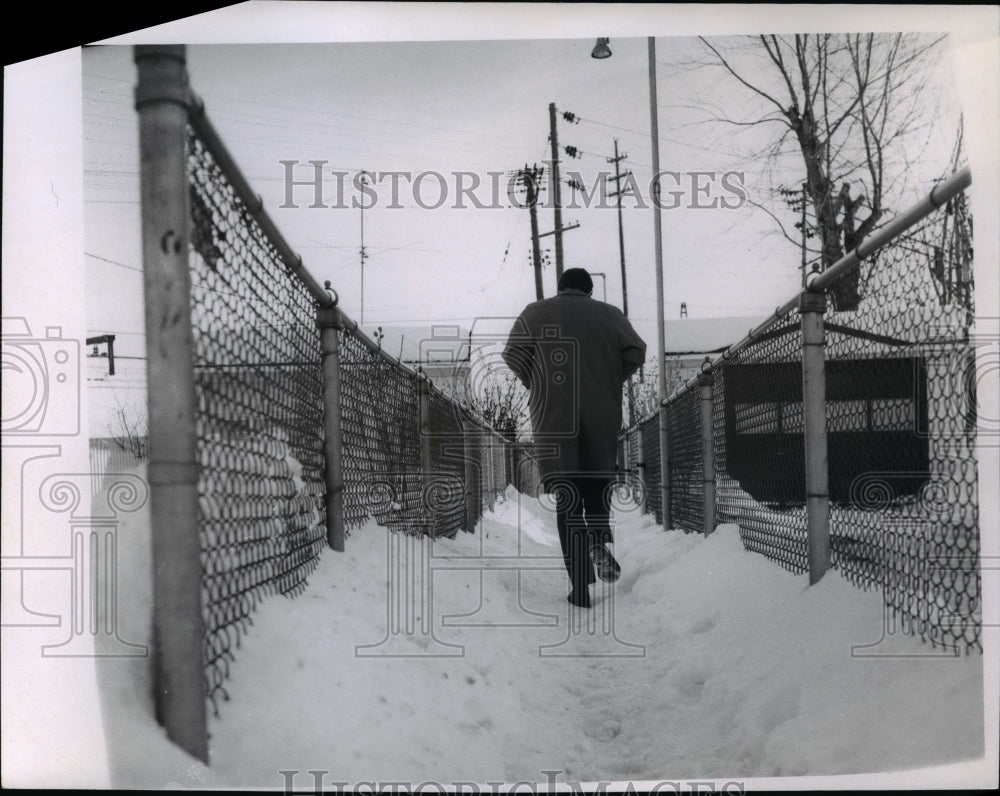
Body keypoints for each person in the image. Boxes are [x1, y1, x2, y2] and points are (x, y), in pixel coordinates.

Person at [502, 268, 646, 608]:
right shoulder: (611, 315)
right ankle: (597, 535)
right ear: (590, 290)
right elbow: (635, 352)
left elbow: (512, 355)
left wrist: (537, 382)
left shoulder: (535, 312)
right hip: (601, 415)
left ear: (561, 287)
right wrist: (610, 378)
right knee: (597, 484)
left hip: (554, 418)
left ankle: (579, 587)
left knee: (568, 497)